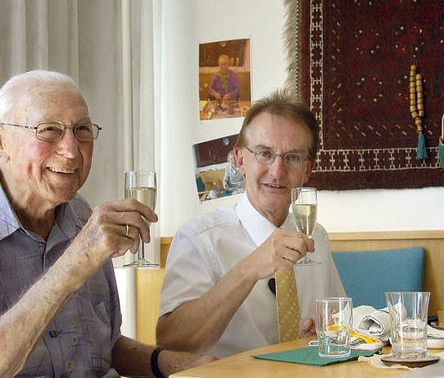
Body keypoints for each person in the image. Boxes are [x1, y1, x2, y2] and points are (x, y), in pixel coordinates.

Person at [0, 70, 214, 377]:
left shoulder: (82, 215)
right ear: (2, 141)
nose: (71, 150)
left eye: (82, 130)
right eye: (49, 130)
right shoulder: (88, 238)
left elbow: (106, 345)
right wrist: (75, 263)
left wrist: (181, 365)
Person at [156, 90, 345, 357]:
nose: (277, 172)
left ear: (308, 169)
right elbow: (170, 342)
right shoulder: (198, 239)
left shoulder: (317, 236)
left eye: (292, 157)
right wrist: (250, 267)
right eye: (264, 153)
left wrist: (327, 327)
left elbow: (339, 314)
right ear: (240, 160)